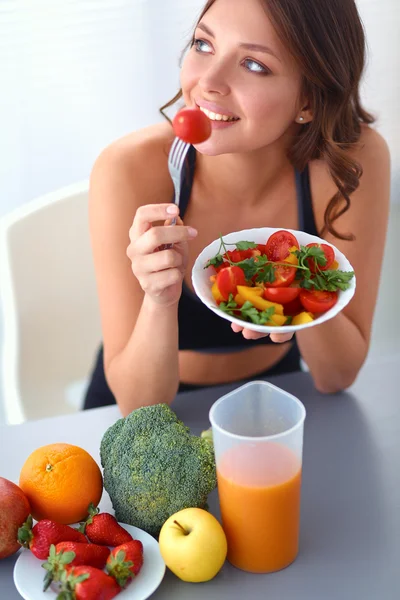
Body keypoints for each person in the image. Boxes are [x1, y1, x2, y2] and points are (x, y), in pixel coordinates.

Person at [83, 0, 390, 415]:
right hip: (160, 408)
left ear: (309, 102)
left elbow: (335, 376)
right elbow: (138, 404)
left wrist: (301, 290)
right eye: (204, 44)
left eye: (254, 65)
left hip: (279, 395)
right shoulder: (128, 169)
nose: (207, 82)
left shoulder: (351, 161)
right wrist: (159, 298)